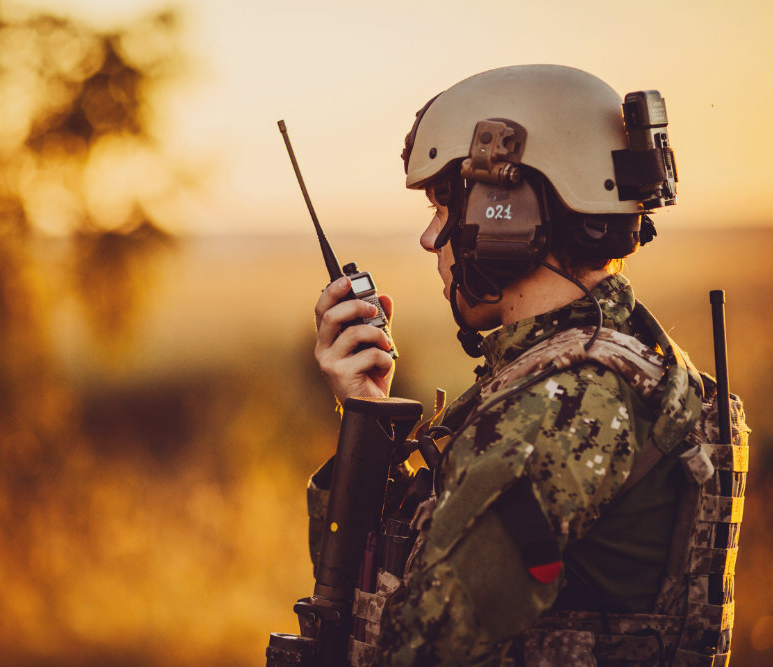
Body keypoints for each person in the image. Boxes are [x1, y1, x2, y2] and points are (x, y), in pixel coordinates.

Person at [308, 65, 749, 665]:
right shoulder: (610, 367)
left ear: (505, 213)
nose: (429, 239)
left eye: (443, 207)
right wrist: (369, 412)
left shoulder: (565, 402)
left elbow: (412, 650)